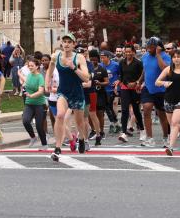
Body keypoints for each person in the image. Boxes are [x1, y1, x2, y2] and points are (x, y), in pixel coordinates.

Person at [45, 33, 90, 162]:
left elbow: (86, 78)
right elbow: (49, 69)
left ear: (73, 44)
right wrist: (47, 81)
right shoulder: (55, 56)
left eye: (69, 42)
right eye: (64, 41)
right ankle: (57, 148)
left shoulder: (79, 58)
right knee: (59, 116)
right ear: (62, 44)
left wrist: (73, 67)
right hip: (62, 92)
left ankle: (81, 138)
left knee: (79, 122)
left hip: (76, 93)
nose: (66, 44)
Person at [156, 49, 180, 155]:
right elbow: (157, 82)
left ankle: (170, 147)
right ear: (171, 59)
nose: (176, 59)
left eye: (178, 56)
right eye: (174, 57)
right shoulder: (168, 69)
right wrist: (164, 83)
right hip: (168, 99)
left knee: (174, 123)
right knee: (173, 124)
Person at [139, 37, 171, 147]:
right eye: (148, 47)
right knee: (146, 109)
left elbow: (164, 69)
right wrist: (139, 81)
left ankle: (166, 138)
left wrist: (158, 55)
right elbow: (145, 70)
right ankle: (150, 138)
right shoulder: (145, 57)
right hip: (148, 88)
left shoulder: (165, 57)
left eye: (151, 48)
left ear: (158, 47)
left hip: (161, 90)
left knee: (162, 115)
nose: (148, 50)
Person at [117, 45, 145, 143]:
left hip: (135, 89)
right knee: (124, 110)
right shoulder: (121, 62)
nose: (128, 54)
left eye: (130, 52)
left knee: (136, 110)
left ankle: (142, 130)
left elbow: (143, 75)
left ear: (133, 52)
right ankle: (124, 133)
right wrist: (120, 84)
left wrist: (137, 83)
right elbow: (120, 75)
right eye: (126, 52)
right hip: (125, 88)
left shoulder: (138, 63)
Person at [22, 58, 48, 149]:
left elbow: (41, 91)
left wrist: (31, 95)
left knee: (39, 126)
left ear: (37, 66)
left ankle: (44, 144)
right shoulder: (29, 75)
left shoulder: (40, 77)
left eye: (32, 66)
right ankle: (33, 137)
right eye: (29, 66)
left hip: (39, 104)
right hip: (29, 103)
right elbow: (26, 83)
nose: (30, 67)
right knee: (25, 121)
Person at [100, 51, 120, 134]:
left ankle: (113, 123)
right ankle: (116, 123)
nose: (102, 59)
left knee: (109, 106)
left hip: (112, 89)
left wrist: (117, 81)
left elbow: (120, 75)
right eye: (101, 57)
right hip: (104, 89)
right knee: (107, 107)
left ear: (108, 57)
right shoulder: (100, 65)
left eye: (103, 57)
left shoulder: (115, 65)